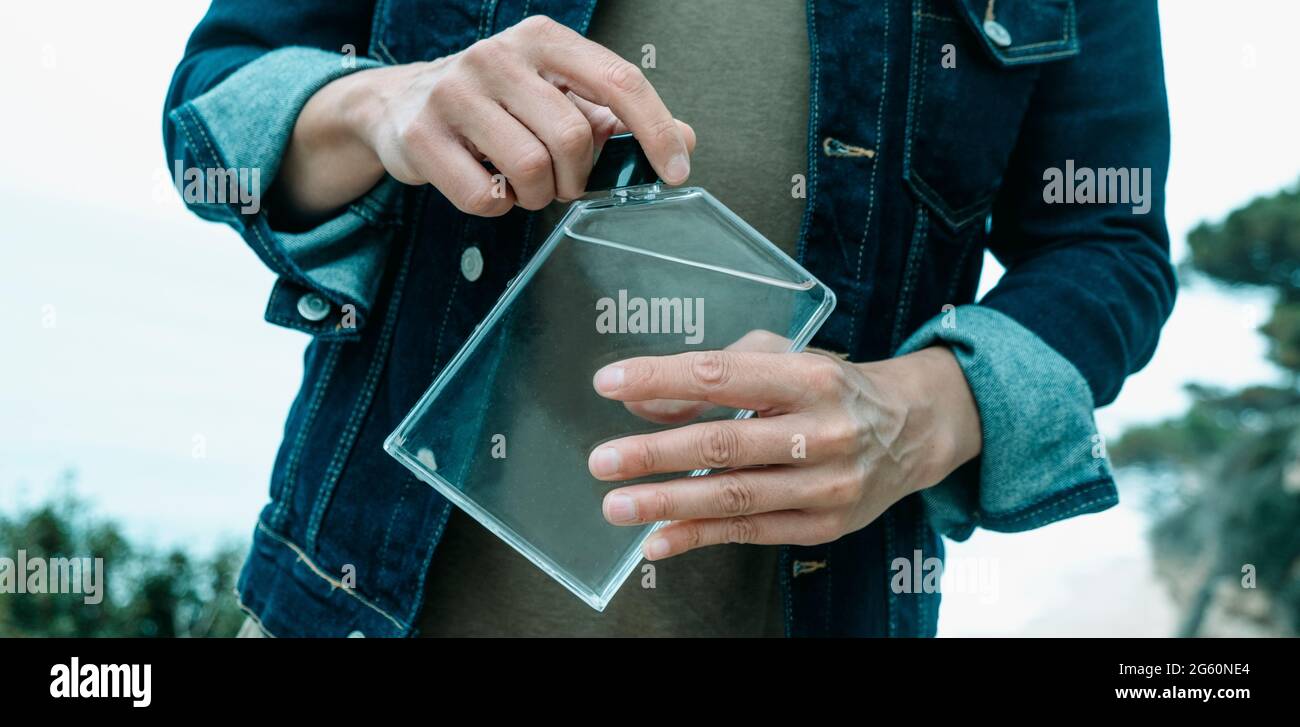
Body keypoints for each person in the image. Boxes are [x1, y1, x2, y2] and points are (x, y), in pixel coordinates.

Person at [165, 0, 1174, 637]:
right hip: (347, 608)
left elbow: (1109, 245)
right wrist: (387, 105)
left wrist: (916, 413)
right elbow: (211, 110)